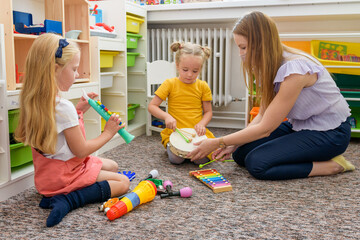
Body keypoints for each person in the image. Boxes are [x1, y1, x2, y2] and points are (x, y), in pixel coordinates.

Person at [188, 11, 355, 180]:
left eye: (243, 47)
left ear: (262, 43)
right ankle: (304, 152)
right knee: (239, 154)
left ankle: (331, 166)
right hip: (301, 125)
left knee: (257, 163)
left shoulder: (294, 70)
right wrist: (233, 144)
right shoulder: (268, 66)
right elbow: (262, 115)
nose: (241, 54)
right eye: (239, 47)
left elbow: (266, 129)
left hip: (331, 132)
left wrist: (218, 142)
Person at [14, 33, 130, 227]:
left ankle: (58, 194)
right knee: (123, 183)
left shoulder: (34, 101)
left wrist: (79, 110)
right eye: (74, 69)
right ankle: (69, 199)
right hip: (66, 174)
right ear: (55, 69)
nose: (77, 74)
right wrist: (109, 132)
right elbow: (81, 150)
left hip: (47, 177)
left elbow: (59, 129)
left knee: (112, 165)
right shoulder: (63, 106)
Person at [148, 42, 215, 165]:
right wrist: (166, 116)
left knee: (201, 159)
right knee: (176, 159)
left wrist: (202, 124)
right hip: (175, 132)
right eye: (185, 70)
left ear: (201, 68)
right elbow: (152, 106)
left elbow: (208, 112)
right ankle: (172, 146)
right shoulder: (170, 84)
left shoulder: (203, 86)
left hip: (196, 134)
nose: (190, 74)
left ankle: (186, 151)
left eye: (195, 71)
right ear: (177, 65)